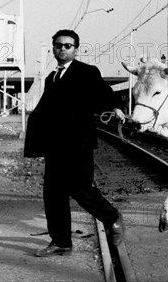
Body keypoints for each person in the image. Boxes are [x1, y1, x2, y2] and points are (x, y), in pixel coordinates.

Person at [24, 29, 126, 257]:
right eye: (58, 45)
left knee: (81, 190)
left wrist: (115, 107)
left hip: (79, 144)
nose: (62, 49)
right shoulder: (52, 77)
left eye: (67, 46)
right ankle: (61, 241)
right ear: (54, 49)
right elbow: (45, 110)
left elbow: (104, 91)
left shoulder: (87, 72)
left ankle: (113, 218)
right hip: (55, 146)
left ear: (76, 49)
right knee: (53, 194)